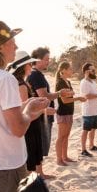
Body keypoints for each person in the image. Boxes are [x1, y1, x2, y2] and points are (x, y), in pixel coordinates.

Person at [0, 21, 50, 192]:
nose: (16, 46)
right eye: (12, 41)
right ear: (0, 47)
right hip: (6, 162)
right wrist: (29, 111)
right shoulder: (4, 79)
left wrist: (26, 104)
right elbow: (19, 129)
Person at [6, 51, 56, 179]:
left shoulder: (20, 82)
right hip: (30, 123)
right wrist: (44, 110)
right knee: (31, 154)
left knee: (34, 153)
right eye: (30, 64)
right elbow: (24, 109)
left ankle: (38, 177)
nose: (32, 66)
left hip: (32, 121)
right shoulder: (21, 85)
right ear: (24, 66)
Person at [27, 47, 72, 176]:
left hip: (40, 114)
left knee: (39, 145)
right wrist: (59, 93)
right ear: (38, 60)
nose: (49, 62)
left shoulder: (35, 74)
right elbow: (44, 95)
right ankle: (39, 173)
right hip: (40, 115)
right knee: (39, 145)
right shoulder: (36, 75)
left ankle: (39, 172)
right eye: (47, 59)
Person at [55, 61, 86, 165]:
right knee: (61, 136)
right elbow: (65, 100)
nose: (72, 70)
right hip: (63, 112)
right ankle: (59, 160)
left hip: (69, 112)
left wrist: (71, 94)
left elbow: (69, 96)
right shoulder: (60, 83)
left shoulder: (68, 82)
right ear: (63, 70)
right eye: (70, 69)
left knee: (66, 135)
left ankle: (65, 156)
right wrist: (77, 98)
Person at [80, 63, 97, 157]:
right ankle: (83, 149)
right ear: (86, 71)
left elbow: (95, 92)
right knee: (86, 130)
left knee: (93, 129)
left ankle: (91, 146)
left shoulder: (92, 81)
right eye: (92, 70)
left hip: (95, 109)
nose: (94, 71)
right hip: (88, 110)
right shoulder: (84, 82)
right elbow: (87, 96)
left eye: (94, 70)